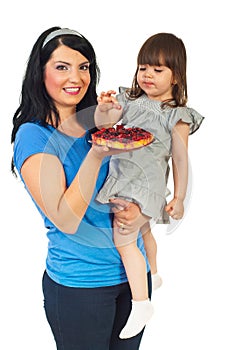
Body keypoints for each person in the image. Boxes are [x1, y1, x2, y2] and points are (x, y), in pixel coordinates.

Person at [11, 26, 152, 350]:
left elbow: (132, 186)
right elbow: (66, 218)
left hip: (134, 279)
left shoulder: (95, 124)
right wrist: (97, 152)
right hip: (80, 286)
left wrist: (140, 213)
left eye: (84, 66)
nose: (76, 77)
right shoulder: (34, 137)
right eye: (62, 67)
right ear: (39, 72)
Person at [94, 32, 204, 339]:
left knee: (124, 235)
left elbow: (181, 160)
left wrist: (180, 197)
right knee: (143, 231)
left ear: (176, 76)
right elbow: (104, 125)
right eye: (144, 68)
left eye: (158, 70)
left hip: (143, 185)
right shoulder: (130, 100)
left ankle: (141, 303)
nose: (148, 75)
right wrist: (105, 108)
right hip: (122, 175)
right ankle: (152, 274)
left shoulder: (176, 115)